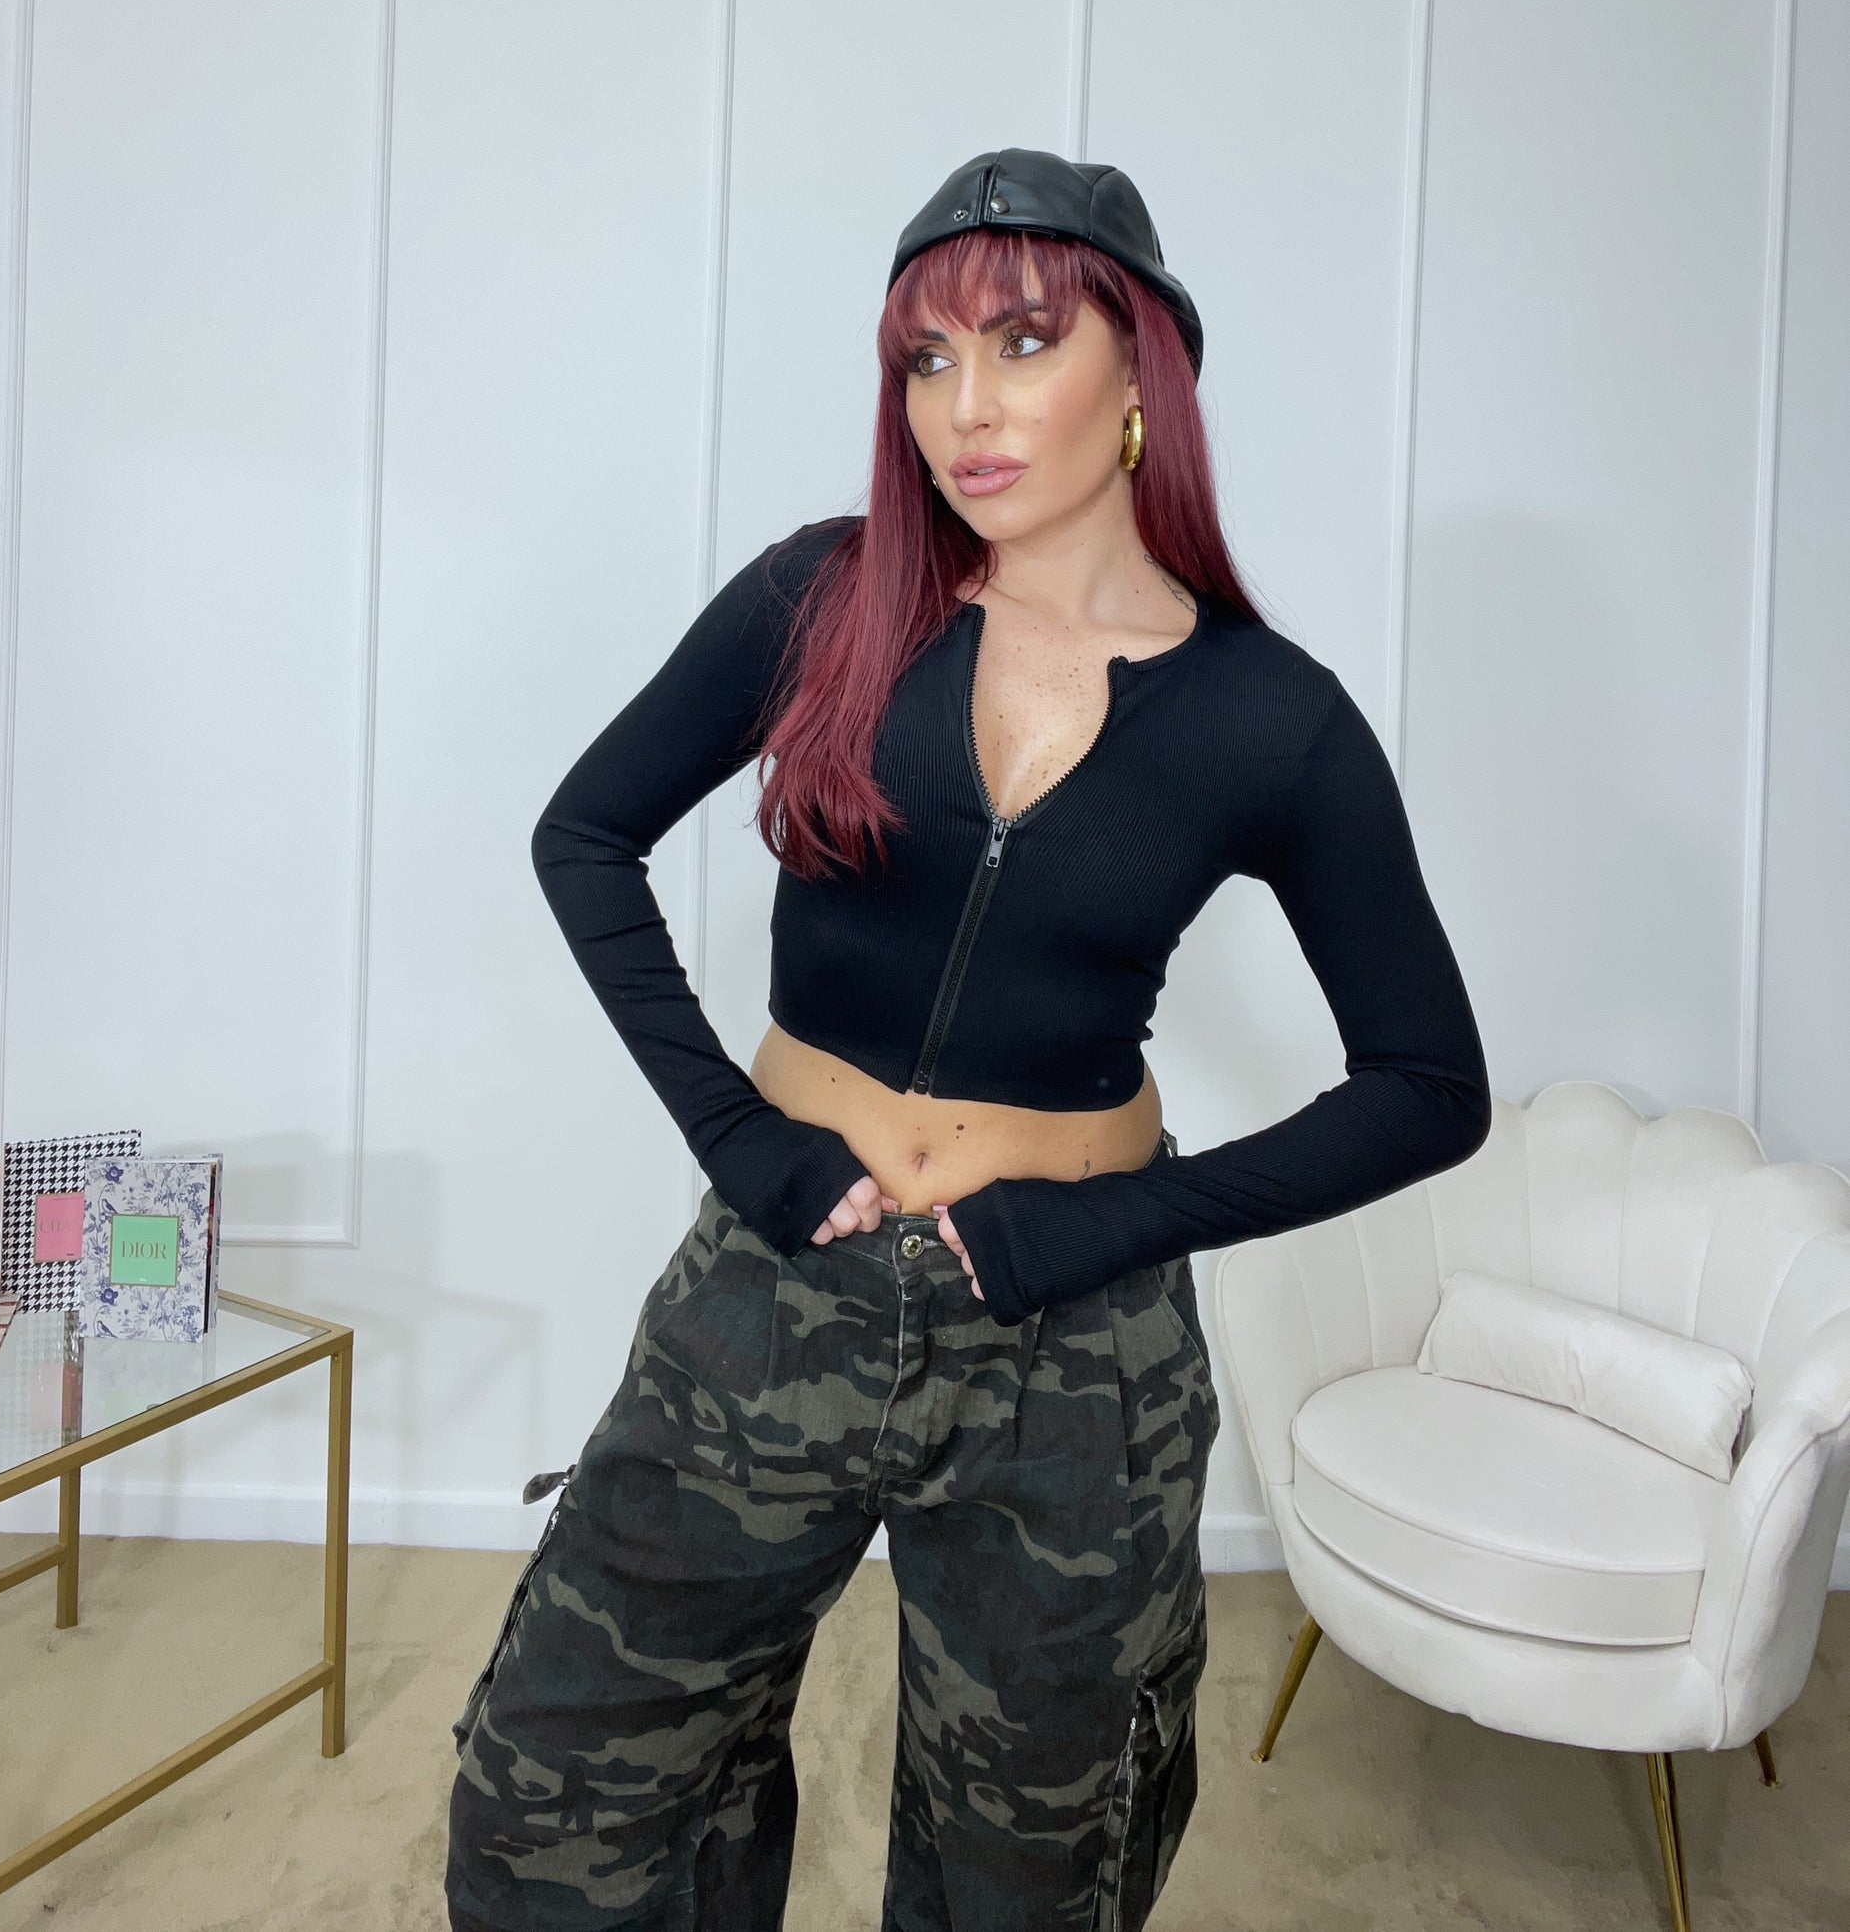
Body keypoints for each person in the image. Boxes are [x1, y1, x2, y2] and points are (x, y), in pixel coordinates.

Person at [445, 147, 1490, 1932]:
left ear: (1141, 368)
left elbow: (1427, 1087)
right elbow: (583, 835)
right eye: (924, 360)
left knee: (1033, 1865)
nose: (964, 408)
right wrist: (738, 1137)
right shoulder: (824, 597)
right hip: (775, 1291)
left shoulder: (1269, 716)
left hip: (1070, 1359)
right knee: (567, 1798)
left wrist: (1108, 1225)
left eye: (1020, 343)